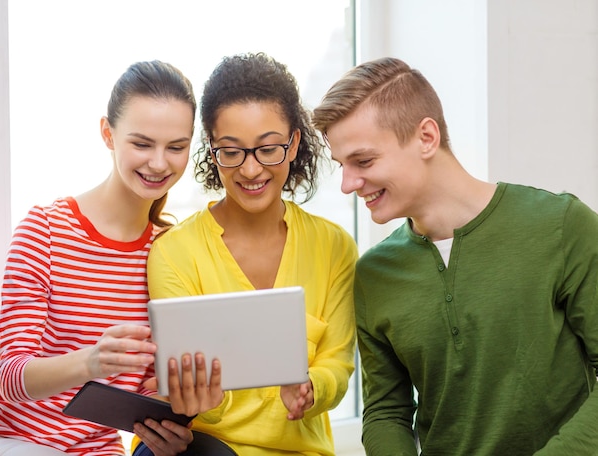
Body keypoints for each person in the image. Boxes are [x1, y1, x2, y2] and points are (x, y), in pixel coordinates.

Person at [311, 56, 598, 455]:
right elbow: (386, 411)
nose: (347, 183)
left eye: (363, 161)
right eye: (341, 165)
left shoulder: (562, 226)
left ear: (426, 137)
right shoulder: (374, 273)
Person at [0, 60, 216, 455]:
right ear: (108, 134)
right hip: (3, 436)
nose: (159, 163)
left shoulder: (170, 251)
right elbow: (12, 379)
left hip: (94, 448)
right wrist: (92, 362)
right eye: (141, 143)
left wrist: (179, 414)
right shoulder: (45, 229)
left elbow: (153, 386)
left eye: (176, 147)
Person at [133, 52, 359, 456]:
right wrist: (203, 402)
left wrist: (312, 389)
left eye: (268, 148)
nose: (251, 170)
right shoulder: (174, 253)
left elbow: (337, 365)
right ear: (211, 151)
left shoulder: (334, 246)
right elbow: (182, 383)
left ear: (294, 144)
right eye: (231, 151)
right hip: (203, 447)